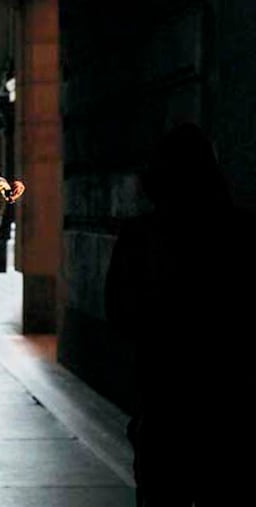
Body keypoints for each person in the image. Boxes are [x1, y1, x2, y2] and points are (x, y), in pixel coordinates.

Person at [105, 122, 256, 506]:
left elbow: (119, 312)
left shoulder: (140, 235)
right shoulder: (243, 232)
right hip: (229, 398)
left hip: (164, 396)